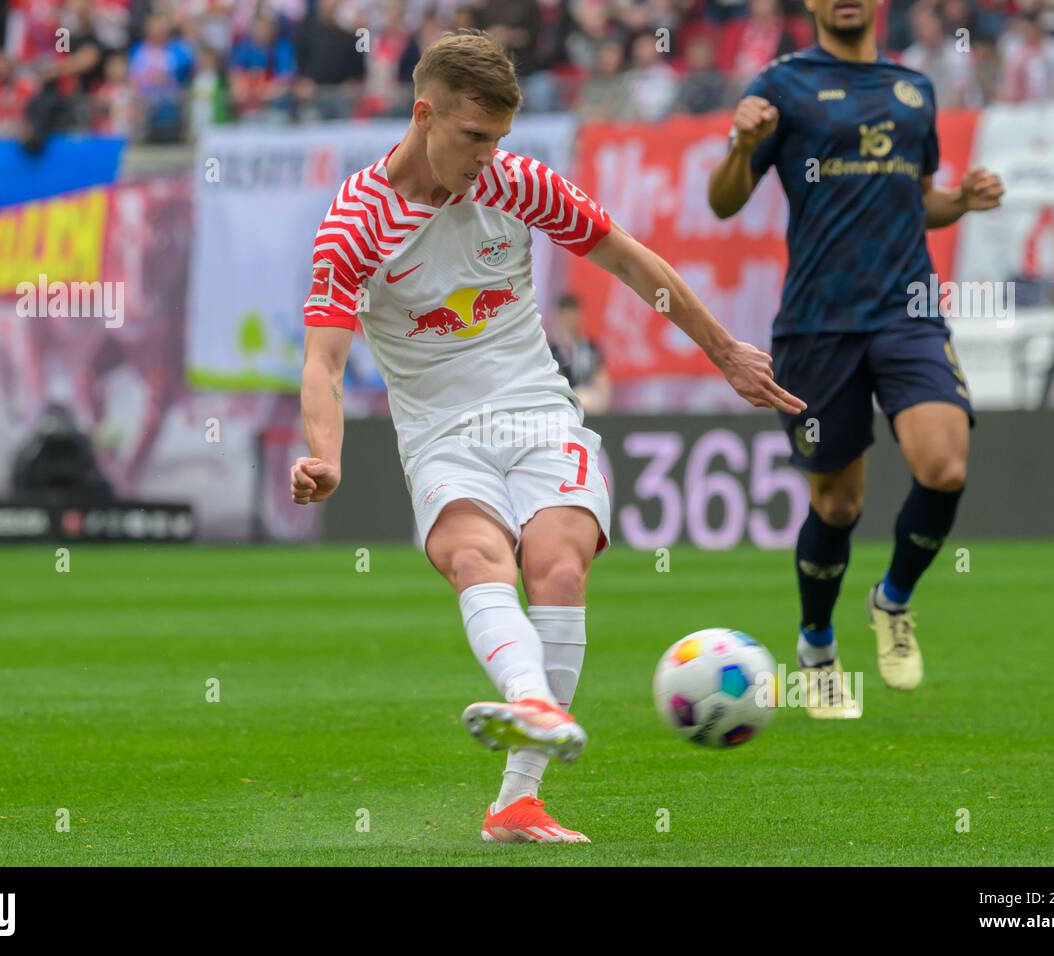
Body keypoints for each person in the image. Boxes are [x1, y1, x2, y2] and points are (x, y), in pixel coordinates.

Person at [294, 29, 802, 843]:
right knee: (474, 557)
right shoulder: (355, 223)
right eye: (473, 137)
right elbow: (322, 361)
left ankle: (517, 800)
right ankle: (530, 703)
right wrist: (327, 454)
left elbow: (634, 263)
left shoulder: (515, 182)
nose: (488, 155)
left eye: (499, 137)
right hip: (440, 434)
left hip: (538, 412)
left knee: (558, 564)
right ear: (424, 114)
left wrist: (725, 353)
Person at [708, 0, 1004, 717]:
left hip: (907, 312)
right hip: (818, 325)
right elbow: (723, 204)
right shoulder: (782, 85)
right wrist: (741, 147)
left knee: (946, 465)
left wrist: (959, 201)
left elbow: (918, 198)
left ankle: (892, 600)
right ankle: (815, 646)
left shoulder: (914, 89)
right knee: (837, 504)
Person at [549, 293, 610, 415]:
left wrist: (600, 402)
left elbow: (602, 383)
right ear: (559, 317)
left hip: (590, 407)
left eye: (573, 315)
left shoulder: (591, 349)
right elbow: (553, 385)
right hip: (564, 409)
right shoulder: (552, 351)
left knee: (587, 398)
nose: (570, 320)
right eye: (566, 315)